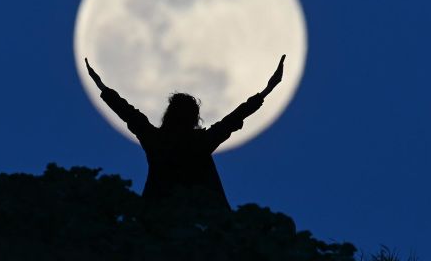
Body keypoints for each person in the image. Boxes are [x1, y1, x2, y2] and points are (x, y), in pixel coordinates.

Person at [84, 55, 285, 211]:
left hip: (156, 213)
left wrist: (101, 86)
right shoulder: (202, 141)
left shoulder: (155, 139)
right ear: (195, 118)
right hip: (205, 216)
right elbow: (235, 118)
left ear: (168, 114)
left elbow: (127, 112)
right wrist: (267, 90)